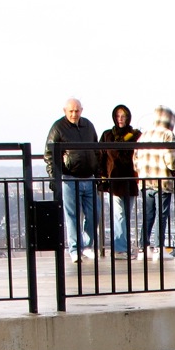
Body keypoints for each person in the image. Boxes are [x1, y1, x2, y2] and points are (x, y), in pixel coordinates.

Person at [44, 98, 99, 264]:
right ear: (65, 111)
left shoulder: (88, 126)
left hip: (89, 177)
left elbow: (96, 149)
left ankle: (87, 246)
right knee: (72, 215)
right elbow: (49, 153)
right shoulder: (58, 127)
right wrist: (54, 176)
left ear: (81, 110)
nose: (74, 114)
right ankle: (75, 250)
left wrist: (98, 173)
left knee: (94, 214)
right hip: (69, 178)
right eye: (71, 111)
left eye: (77, 111)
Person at [132, 108, 175, 252]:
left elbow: (135, 160)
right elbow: (172, 160)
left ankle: (144, 247)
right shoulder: (167, 135)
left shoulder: (145, 135)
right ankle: (159, 248)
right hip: (162, 181)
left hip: (145, 181)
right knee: (161, 215)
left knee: (148, 215)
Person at [99, 105, 140, 256]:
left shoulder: (136, 135)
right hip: (113, 181)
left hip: (130, 181)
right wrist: (102, 178)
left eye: (123, 116)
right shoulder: (107, 135)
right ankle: (120, 249)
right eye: (117, 116)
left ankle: (123, 247)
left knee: (126, 216)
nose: (120, 119)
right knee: (119, 215)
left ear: (128, 117)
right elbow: (101, 157)